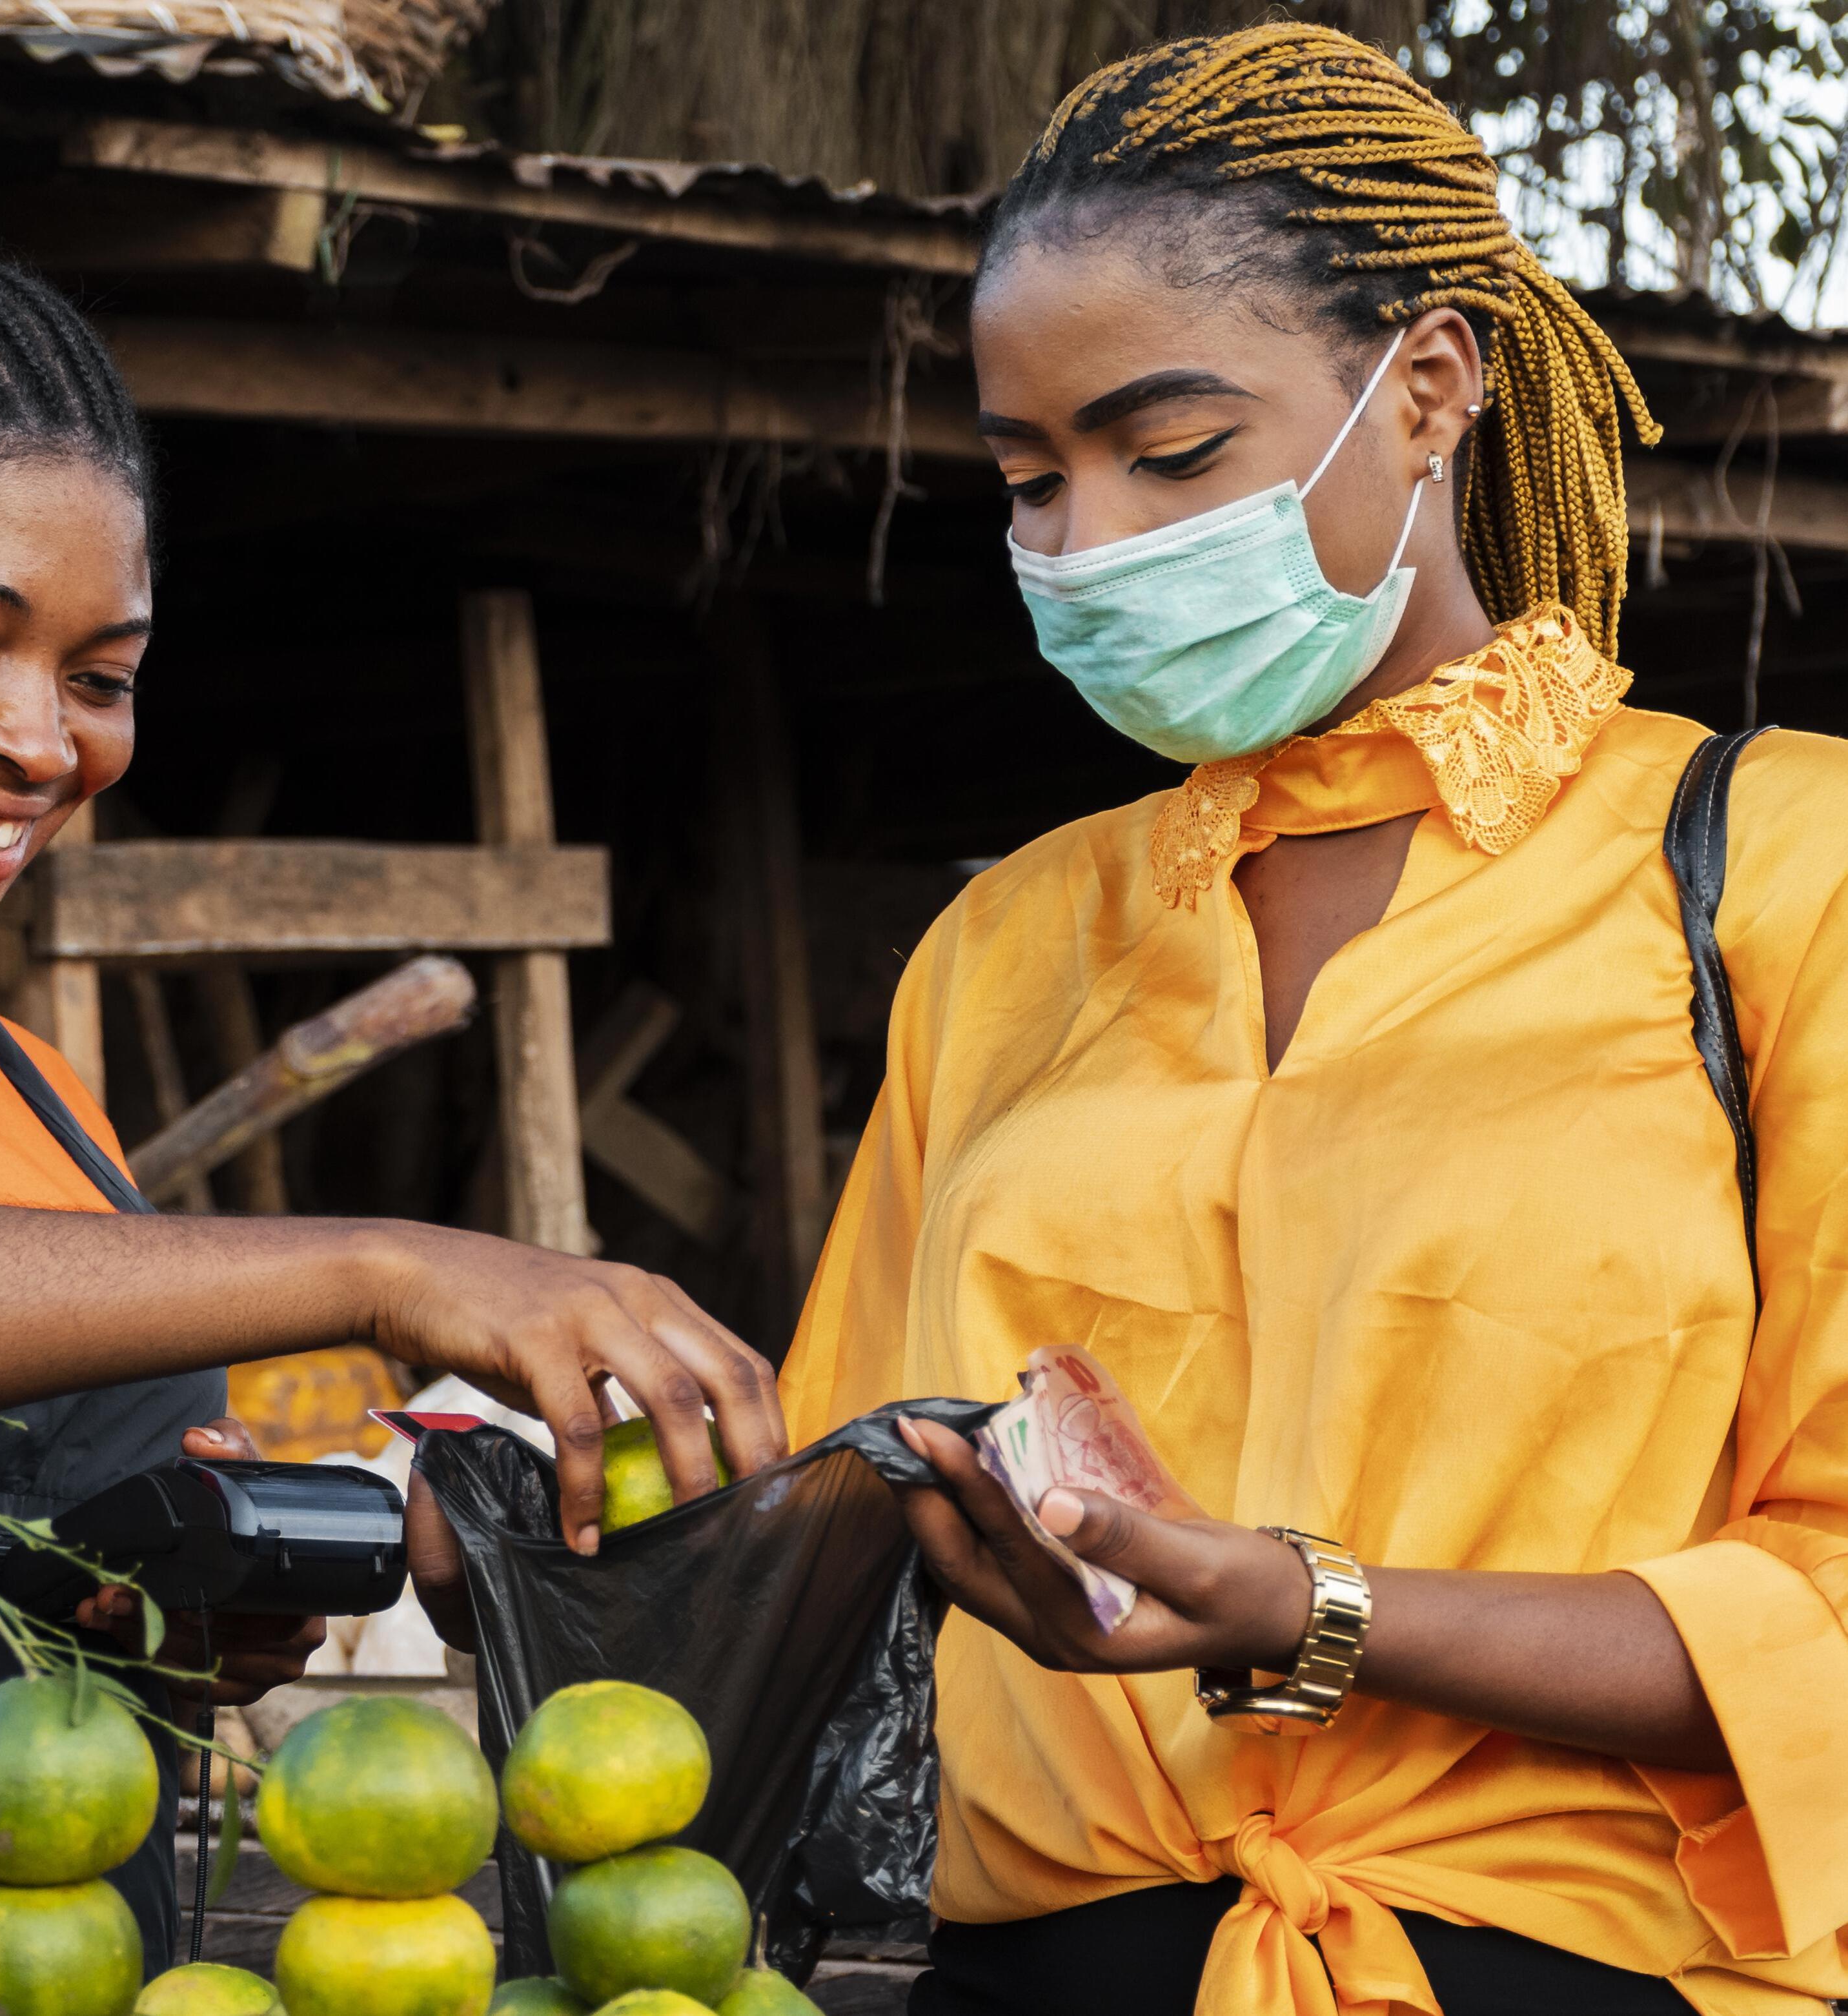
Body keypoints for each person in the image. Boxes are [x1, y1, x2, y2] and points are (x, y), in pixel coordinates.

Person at [0, 243, 783, 1962]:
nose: (41, 740)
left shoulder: (40, 1100)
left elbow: (23, 1642)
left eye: (101, 679)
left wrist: (161, 1632)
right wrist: (384, 1268)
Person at [779, 26, 1848, 2016]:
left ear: (1429, 386)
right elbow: (837, 1508)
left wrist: (1312, 1608)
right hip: (1030, 1977)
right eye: (1031, 480)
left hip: (1574, 1970)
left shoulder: (1783, 871)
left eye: (1172, 454)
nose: (1091, 544)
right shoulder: (1007, 944)